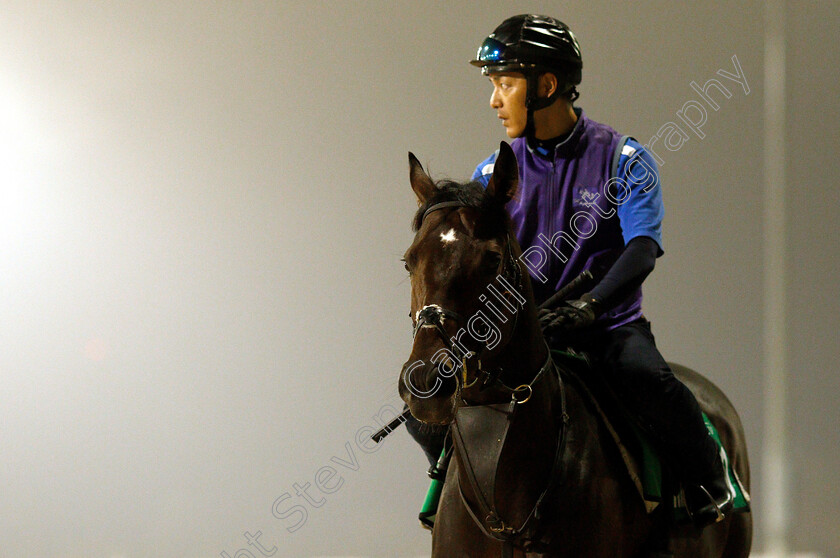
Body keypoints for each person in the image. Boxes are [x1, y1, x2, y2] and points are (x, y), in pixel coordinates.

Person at [406, 13, 735, 528]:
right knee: (425, 397)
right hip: (520, 329)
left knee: (651, 381)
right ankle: (446, 482)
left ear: (547, 85)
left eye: (505, 84)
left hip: (606, 328)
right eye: (493, 86)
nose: (494, 100)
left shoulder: (625, 159)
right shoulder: (491, 174)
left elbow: (643, 247)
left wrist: (591, 307)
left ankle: (711, 485)